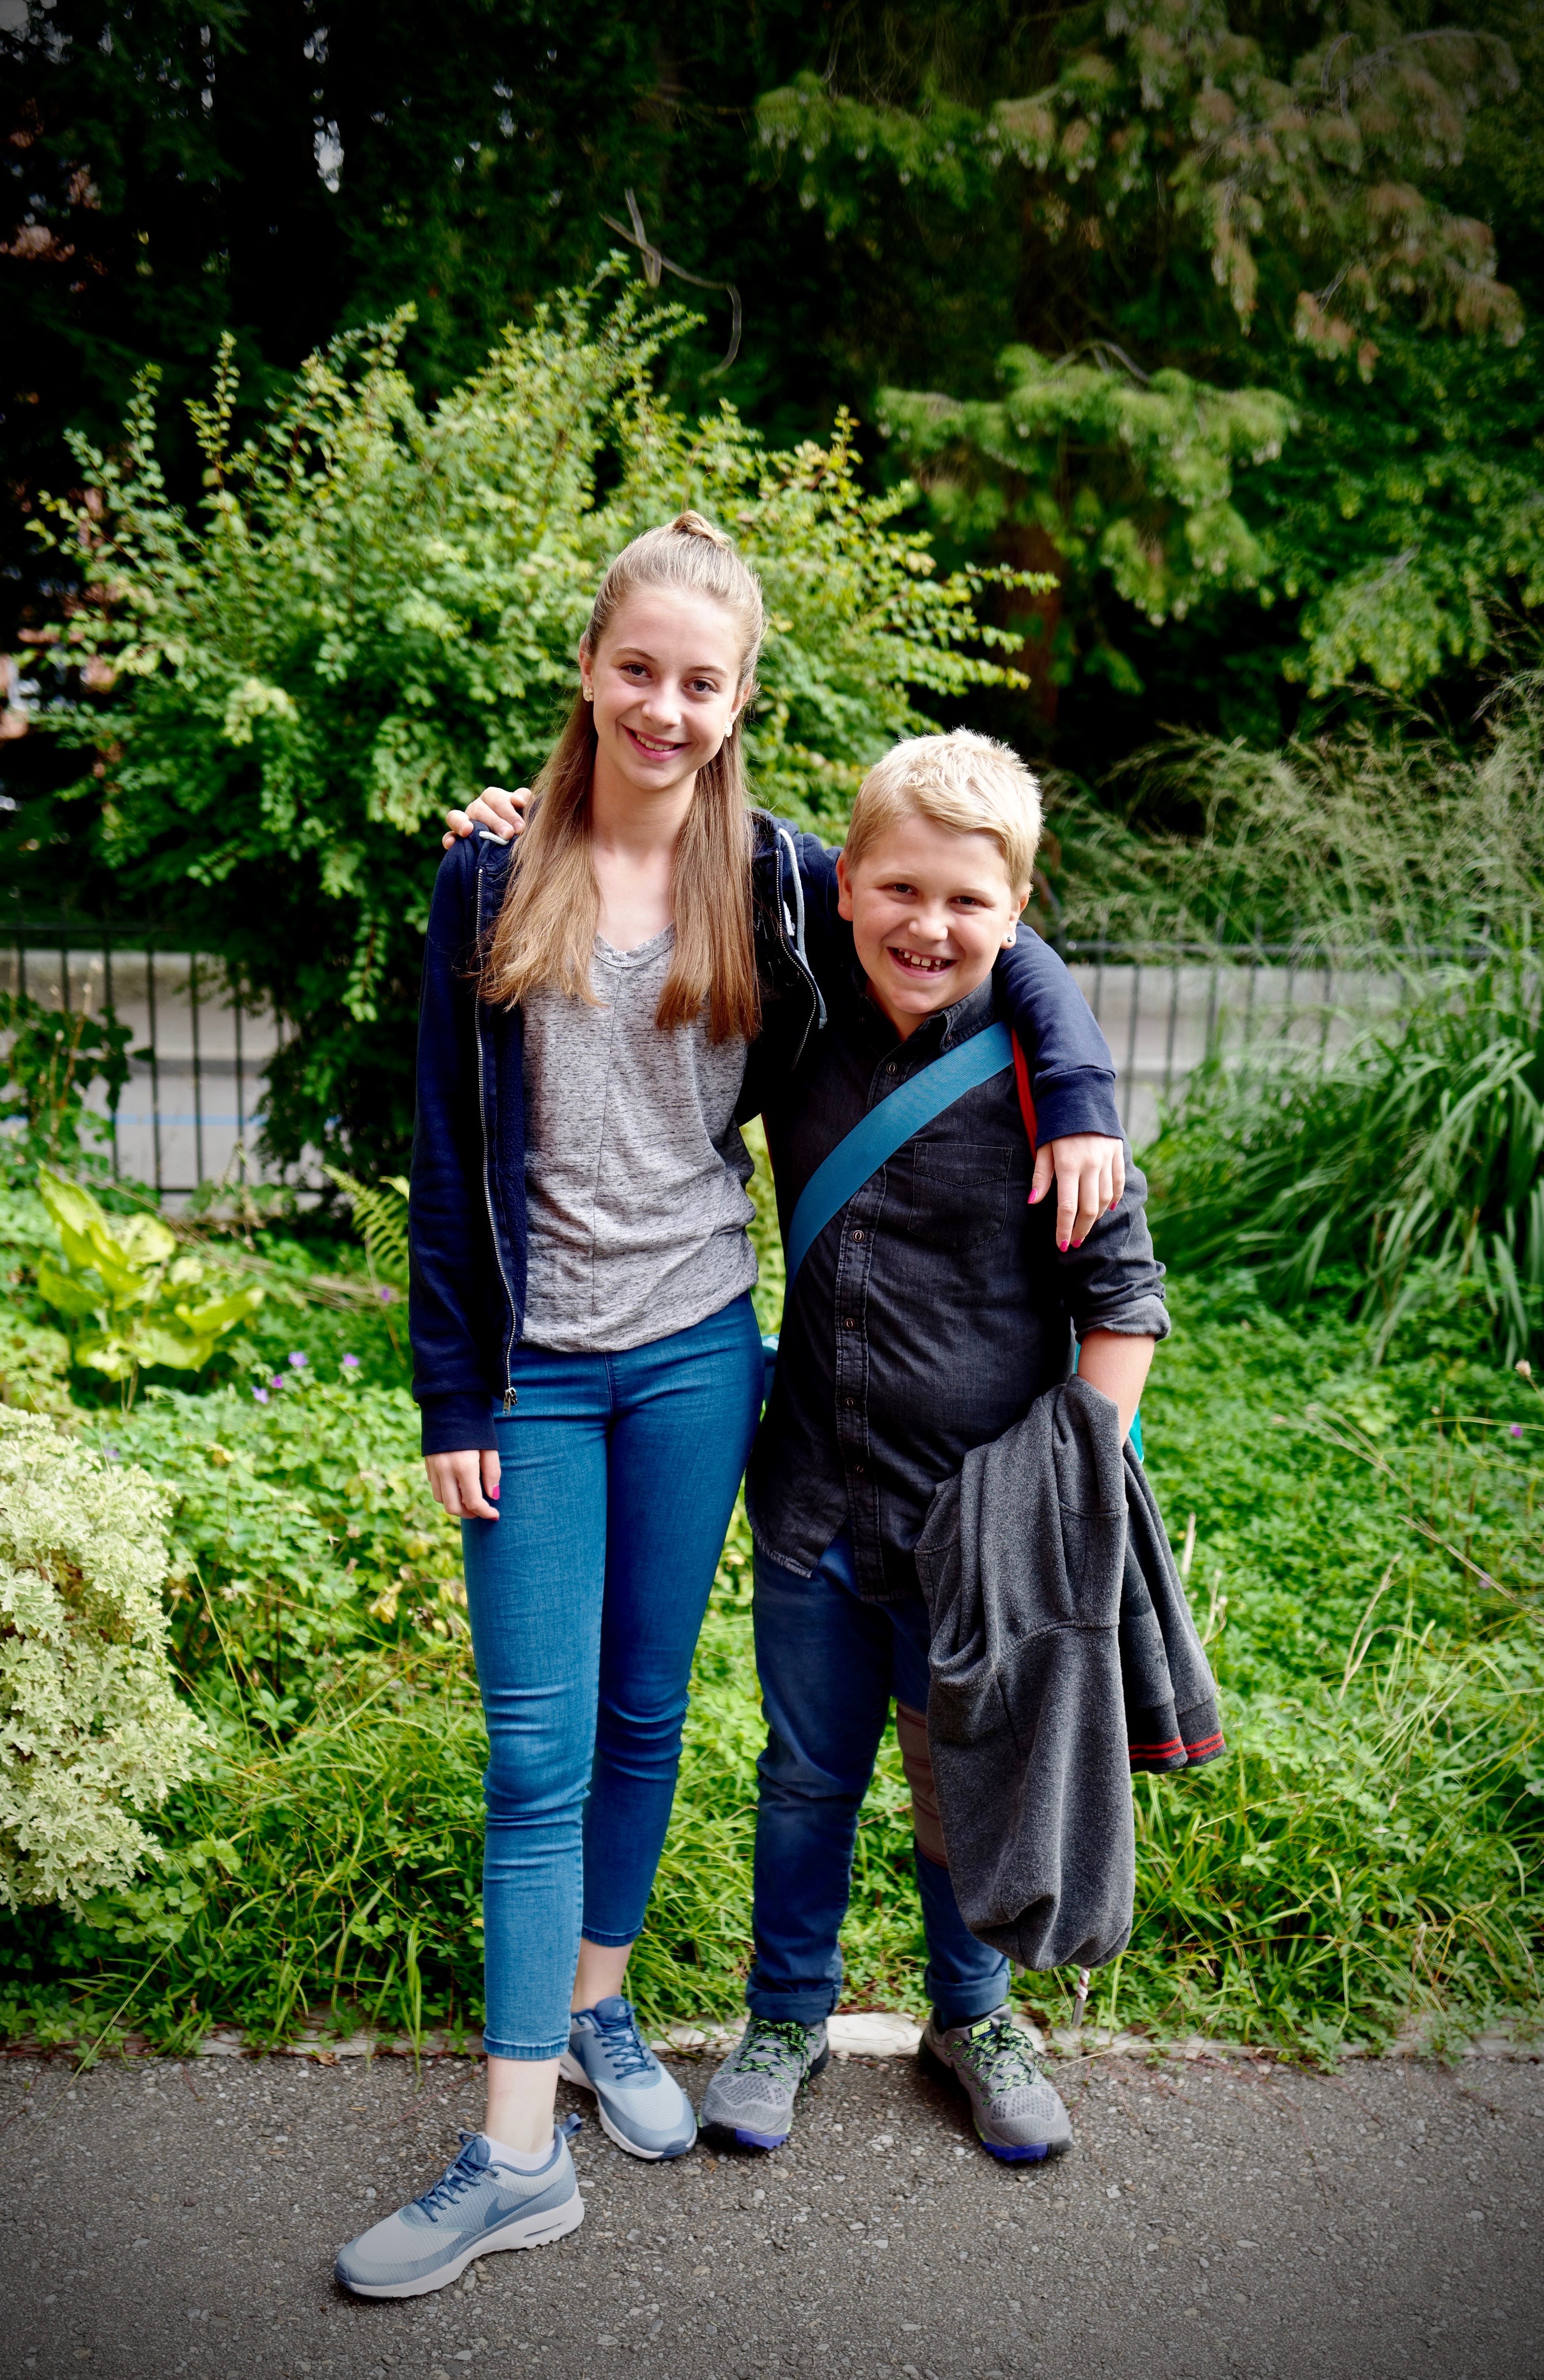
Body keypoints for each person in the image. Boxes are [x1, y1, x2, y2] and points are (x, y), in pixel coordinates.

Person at [336, 516, 1124, 2300]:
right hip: (535, 1376)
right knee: (532, 1755)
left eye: (702, 682)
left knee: (643, 1718)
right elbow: (447, 1154)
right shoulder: (490, 873)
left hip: (699, 1354)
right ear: (589, 671)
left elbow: (988, 927)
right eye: (637, 671)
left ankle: (600, 2012)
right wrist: (450, 1385)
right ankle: (513, 2154)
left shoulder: (774, 879)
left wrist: (1076, 1091)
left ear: (741, 695)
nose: (664, 708)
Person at [696, 731, 1170, 2165]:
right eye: (898, 889)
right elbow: (664, 844)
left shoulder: (1048, 1093)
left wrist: (1057, 1499)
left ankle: (973, 2017)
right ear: (844, 887)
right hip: (812, 1510)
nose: (929, 925)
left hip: (976, 1539)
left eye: (969, 902)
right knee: (804, 1777)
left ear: (1017, 910)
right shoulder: (798, 1026)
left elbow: (1123, 1307)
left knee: (968, 1779)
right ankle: (785, 2014)